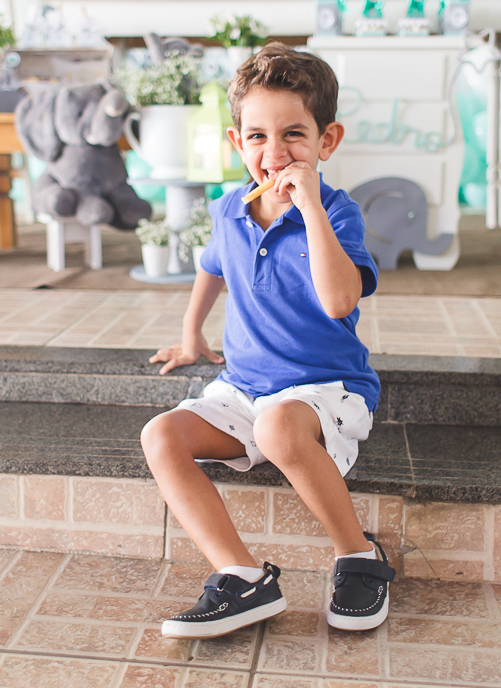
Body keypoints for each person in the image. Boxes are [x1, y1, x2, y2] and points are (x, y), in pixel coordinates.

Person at [141, 42, 394, 639]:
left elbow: (339, 301)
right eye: (256, 136)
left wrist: (310, 211)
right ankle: (242, 577)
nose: (274, 153)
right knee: (162, 435)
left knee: (277, 426)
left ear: (326, 142)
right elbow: (212, 266)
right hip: (244, 388)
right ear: (238, 144)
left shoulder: (338, 211)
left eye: (294, 136)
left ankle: (358, 557)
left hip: (325, 390)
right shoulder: (230, 207)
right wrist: (191, 335)